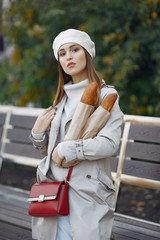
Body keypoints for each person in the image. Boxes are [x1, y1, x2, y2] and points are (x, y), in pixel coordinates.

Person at [29, 28, 123, 240]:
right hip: (53, 192)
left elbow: (109, 144)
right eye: (62, 53)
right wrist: (37, 133)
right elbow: (52, 153)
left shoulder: (107, 95)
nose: (68, 57)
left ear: (87, 54)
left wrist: (69, 148)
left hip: (86, 191)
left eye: (75, 49)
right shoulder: (61, 99)